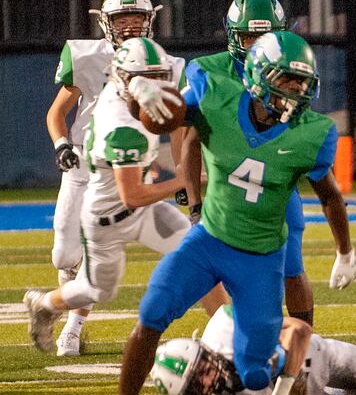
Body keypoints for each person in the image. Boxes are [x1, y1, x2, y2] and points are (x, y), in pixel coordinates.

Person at [119, 31, 356, 394]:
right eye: (287, 79)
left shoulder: (311, 133)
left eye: (302, 82)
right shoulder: (214, 95)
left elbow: (329, 195)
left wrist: (345, 251)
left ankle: (318, 368)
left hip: (261, 260)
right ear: (257, 76)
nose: (296, 91)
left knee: (254, 374)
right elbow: (166, 121)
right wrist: (146, 99)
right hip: (209, 241)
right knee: (151, 314)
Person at [24, 37, 228, 355]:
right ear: (121, 79)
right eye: (143, 79)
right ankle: (45, 303)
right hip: (107, 219)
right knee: (96, 289)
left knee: (198, 255)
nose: (153, 85)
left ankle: (226, 334)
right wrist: (185, 181)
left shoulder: (123, 96)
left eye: (159, 76)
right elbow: (132, 195)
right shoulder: (121, 125)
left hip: (141, 212)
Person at [180, 0, 324, 326]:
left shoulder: (290, 71)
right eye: (249, 38)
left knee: (291, 270)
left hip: (274, 192)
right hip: (224, 198)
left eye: (266, 37)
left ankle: (305, 347)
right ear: (233, 38)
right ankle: (228, 337)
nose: (257, 46)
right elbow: (189, 141)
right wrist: (194, 205)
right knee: (208, 273)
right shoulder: (209, 74)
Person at [44, 0, 162, 356]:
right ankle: (71, 285)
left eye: (136, 17)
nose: (129, 25)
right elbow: (56, 113)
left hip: (122, 168)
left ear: (149, 21)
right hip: (81, 160)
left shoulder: (161, 62)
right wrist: (62, 144)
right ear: (106, 22)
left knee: (97, 245)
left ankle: (74, 329)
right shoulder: (85, 56)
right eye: (122, 18)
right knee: (63, 256)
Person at [150, 304, 356, 395]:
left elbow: (299, 329)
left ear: (205, 350)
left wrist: (281, 363)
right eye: (196, 384)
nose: (207, 380)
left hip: (316, 358)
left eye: (202, 368)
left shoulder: (225, 327)